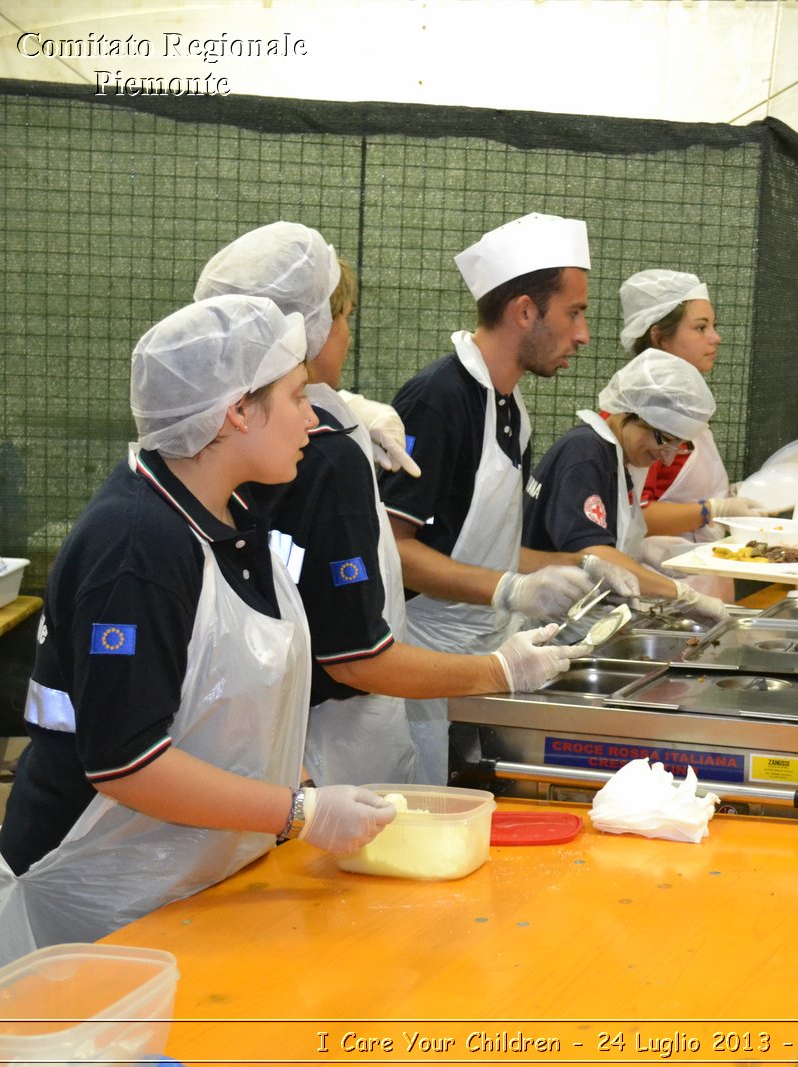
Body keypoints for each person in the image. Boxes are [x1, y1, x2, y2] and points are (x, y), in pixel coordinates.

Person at [0, 296, 398, 999]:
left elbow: (221, 701)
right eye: (297, 395)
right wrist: (296, 814)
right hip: (80, 917)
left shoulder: (230, 515)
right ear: (237, 412)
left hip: (182, 891)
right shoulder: (136, 547)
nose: (315, 416)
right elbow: (126, 763)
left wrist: (297, 787)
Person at [193, 223, 587, 787]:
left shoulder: (310, 440)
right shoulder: (335, 449)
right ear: (307, 330)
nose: (582, 333)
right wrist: (501, 644)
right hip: (346, 706)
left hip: (340, 694)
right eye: (345, 318)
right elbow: (354, 646)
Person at [379, 213, 636, 783]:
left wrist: (581, 568)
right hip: (426, 663)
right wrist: (511, 590)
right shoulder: (438, 400)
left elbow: (489, 547)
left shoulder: (511, 410)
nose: (584, 334)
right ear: (524, 311)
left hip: (487, 653)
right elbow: (393, 549)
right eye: (574, 312)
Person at [523, 349, 730, 625]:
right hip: (540, 620)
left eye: (678, 447)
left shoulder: (615, 459)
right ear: (630, 412)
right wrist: (680, 594)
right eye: (664, 439)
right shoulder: (585, 453)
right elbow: (592, 553)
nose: (666, 457)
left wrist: (639, 549)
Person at [614, 269, 764, 599]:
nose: (715, 337)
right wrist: (714, 510)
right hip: (660, 588)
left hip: (703, 577)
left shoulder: (683, 406)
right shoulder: (637, 415)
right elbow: (636, 516)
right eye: (700, 328)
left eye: (714, 326)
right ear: (658, 337)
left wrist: (734, 497)